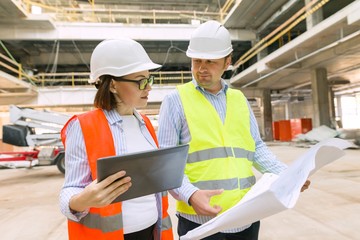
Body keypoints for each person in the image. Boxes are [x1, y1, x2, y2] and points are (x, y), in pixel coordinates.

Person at [157, 20, 310, 240]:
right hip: (201, 220)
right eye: (197, 60)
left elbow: (256, 148)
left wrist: (287, 175)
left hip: (246, 215)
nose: (201, 68)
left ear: (228, 61)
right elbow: (165, 163)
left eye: (210, 62)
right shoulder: (175, 101)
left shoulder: (239, 100)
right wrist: (190, 195)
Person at [59, 38, 173, 240]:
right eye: (141, 81)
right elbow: (69, 192)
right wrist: (83, 200)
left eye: (149, 79)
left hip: (153, 231)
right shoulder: (83, 126)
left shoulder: (145, 123)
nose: (149, 87)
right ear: (112, 85)